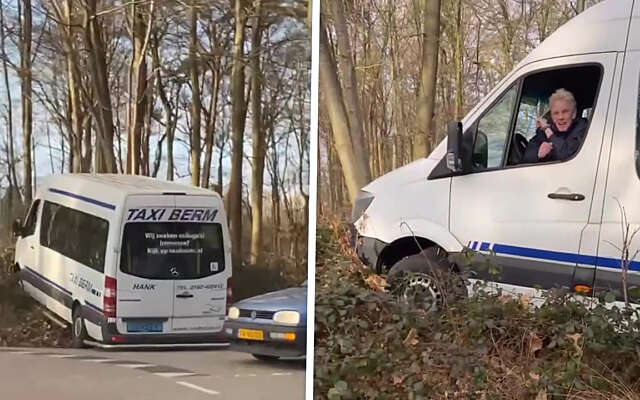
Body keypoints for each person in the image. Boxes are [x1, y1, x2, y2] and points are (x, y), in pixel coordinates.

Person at [522, 88, 588, 163]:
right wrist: (539, 154)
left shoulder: (581, 128)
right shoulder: (544, 132)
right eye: (556, 113)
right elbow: (527, 157)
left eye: (565, 111)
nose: (560, 117)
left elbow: (566, 154)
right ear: (552, 117)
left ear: (573, 114)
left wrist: (548, 132)